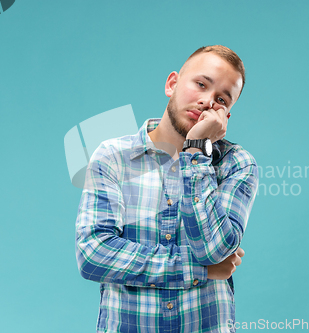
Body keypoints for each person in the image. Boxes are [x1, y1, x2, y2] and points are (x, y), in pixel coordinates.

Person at [76, 45, 259, 333]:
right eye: (201, 84)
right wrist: (198, 270)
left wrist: (197, 150)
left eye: (221, 99)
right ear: (172, 84)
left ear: (225, 117)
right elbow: (93, 254)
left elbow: (214, 251)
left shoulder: (237, 165)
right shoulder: (113, 157)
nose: (207, 102)